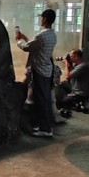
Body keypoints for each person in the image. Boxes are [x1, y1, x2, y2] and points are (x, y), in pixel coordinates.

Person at [16, 8, 58, 137]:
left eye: (41, 17)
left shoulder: (42, 35)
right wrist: (23, 37)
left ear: (44, 19)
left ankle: (45, 129)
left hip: (39, 71)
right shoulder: (52, 35)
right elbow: (35, 46)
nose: (40, 19)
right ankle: (45, 126)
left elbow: (27, 47)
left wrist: (18, 41)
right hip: (47, 70)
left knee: (41, 100)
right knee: (44, 99)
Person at [57, 48, 89, 114]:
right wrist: (69, 65)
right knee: (62, 83)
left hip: (81, 93)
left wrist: (66, 64)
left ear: (76, 57)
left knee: (61, 102)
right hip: (75, 88)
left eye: (71, 56)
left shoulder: (83, 66)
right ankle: (76, 102)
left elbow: (68, 76)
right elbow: (70, 76)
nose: (70, 58)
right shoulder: (77, 65)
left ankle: (79, 103)